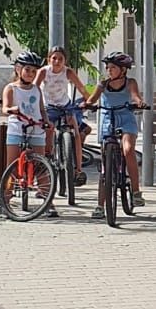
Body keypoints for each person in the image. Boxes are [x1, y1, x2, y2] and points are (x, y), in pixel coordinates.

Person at [86, 52, 145, 214]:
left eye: (113, 67)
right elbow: (92, 99)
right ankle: (100, 206)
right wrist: (87, 104)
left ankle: (135, 191)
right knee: (105, 165)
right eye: (107, 68)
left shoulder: (130, 82)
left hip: (126, 119)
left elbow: (135, 96)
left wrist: (139, 103)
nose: (109, 70)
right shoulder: (103, 84)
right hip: (107, 121)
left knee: (127, 150)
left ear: (123, 70)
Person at [2, 52, 50, 204]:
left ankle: (47, 200)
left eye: (34, 71)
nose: (30, 74)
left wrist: (46, 122)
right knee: (12, 168)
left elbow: (41, 110)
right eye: (27, 70)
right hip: (17, 128)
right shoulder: (11, 88)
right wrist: (11, 110)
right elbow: (5, 108)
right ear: (18, 69)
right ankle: (6, 199)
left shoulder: (37, 89)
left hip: (36, 129)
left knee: (41, 167)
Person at [39, 47, 90, 182]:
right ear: (48, 59)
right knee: (48, 131)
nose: (57, 61)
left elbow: (82, 88)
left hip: (65, 106)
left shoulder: (68, 72)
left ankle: (78, 170)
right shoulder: (43, 72)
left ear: (65, 61)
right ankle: (47, 157)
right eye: (54, 58)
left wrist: (89, 101)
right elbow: (35, 88)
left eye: (60, 59)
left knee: (76, 134)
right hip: (49, 106)